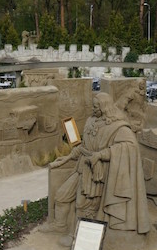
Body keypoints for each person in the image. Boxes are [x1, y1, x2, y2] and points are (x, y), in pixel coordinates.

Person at [43, 92, 149, 235]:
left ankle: (81, 237)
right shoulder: (90, 121)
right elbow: (83, 147)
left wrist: (100, 155)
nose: (93, 109)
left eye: (95, 107)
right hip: (82, 167)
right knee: (62, 195)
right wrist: (67, 158)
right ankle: (60, 225)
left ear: (104, 107)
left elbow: (129, 147)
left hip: (98, 172)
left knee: (84, 205)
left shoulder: (118, 127)